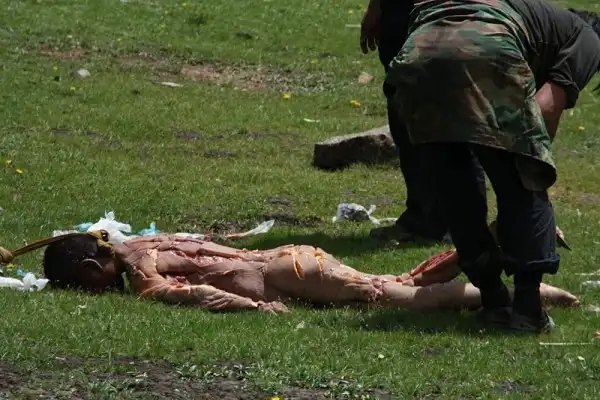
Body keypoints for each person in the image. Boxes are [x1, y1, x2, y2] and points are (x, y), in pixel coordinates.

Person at [385, 1, 600, 333]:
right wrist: (531, 159)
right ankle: (527, 310)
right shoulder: (588, 39)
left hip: (417, 56)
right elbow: (546, 106)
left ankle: (494, 301)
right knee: (523, 182)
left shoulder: (532, 17)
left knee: (454, 183)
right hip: (485, 49)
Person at [34, 231, 578, 316]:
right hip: (292, 257)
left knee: (395, 297)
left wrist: (255, 306)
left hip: (291, 274)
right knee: (397, 284)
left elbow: (192, 292)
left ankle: (518, 295)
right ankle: (497, 239)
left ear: (92, 267)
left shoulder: (140, 270)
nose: (90, 293)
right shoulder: (140, 241)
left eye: (82, 285)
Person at [360, 0, 488, 244]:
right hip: (403, 14)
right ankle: (425, 216)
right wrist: (378, 6)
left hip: (445, 14)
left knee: (451, 112)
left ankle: (456, 224)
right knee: (404, 107)